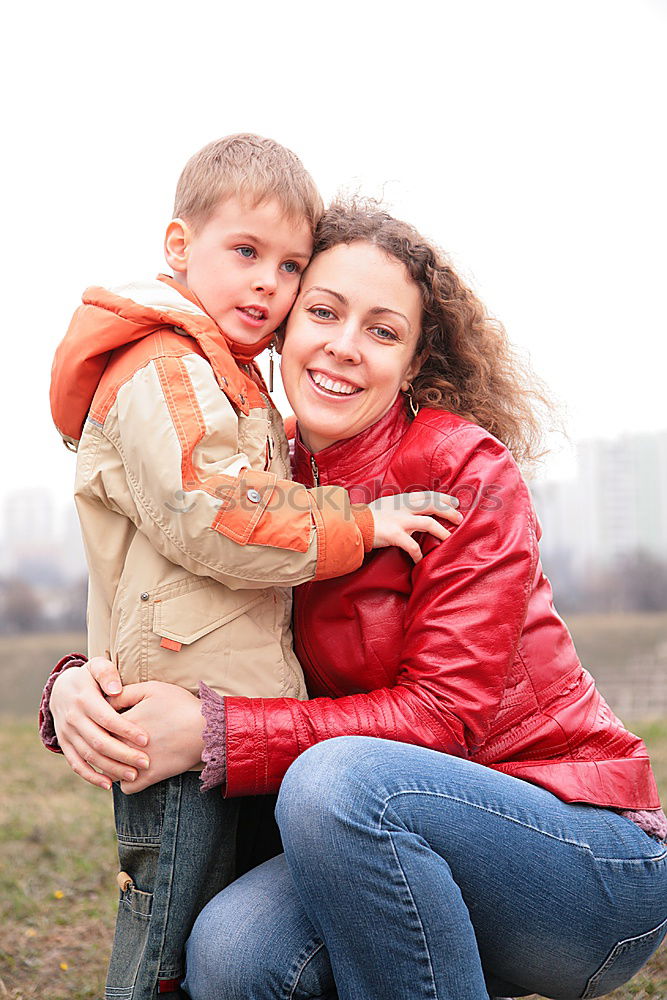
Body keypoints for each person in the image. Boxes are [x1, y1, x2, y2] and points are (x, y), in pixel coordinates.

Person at [42, 202, 667, 1000]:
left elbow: (445, 720)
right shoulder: (259, 493)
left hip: (579, 853)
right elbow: (169, 598)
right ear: (281, 327)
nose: (343, 346)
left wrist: (216, 732)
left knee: (334, 782)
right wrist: (70, 686)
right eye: (324, 312)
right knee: (232, 950)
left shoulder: (460, 473)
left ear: (411, 363)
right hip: (374, 839)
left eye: (381, 330)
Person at [42, 140, 459, 1000]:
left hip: (229, 712)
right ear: (178, 246)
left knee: (217, 932)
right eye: (245, 253)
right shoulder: (166, 369)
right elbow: (212, 516)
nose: (268, 283)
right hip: (174, 719)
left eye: (288, 265)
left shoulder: (226, 379)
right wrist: (361, 523)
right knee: (164, 948)